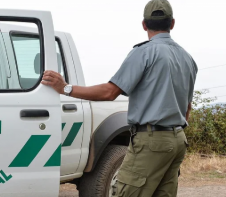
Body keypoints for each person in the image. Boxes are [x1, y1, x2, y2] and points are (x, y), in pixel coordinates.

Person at [42, 0, 198, 196]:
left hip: (152, 142)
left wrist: (66, 88)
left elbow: (110, 92)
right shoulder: (188, 58)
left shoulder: (144, 52)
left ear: (144, 24)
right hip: (177, 140)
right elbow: (187, 107)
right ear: (172, 23)